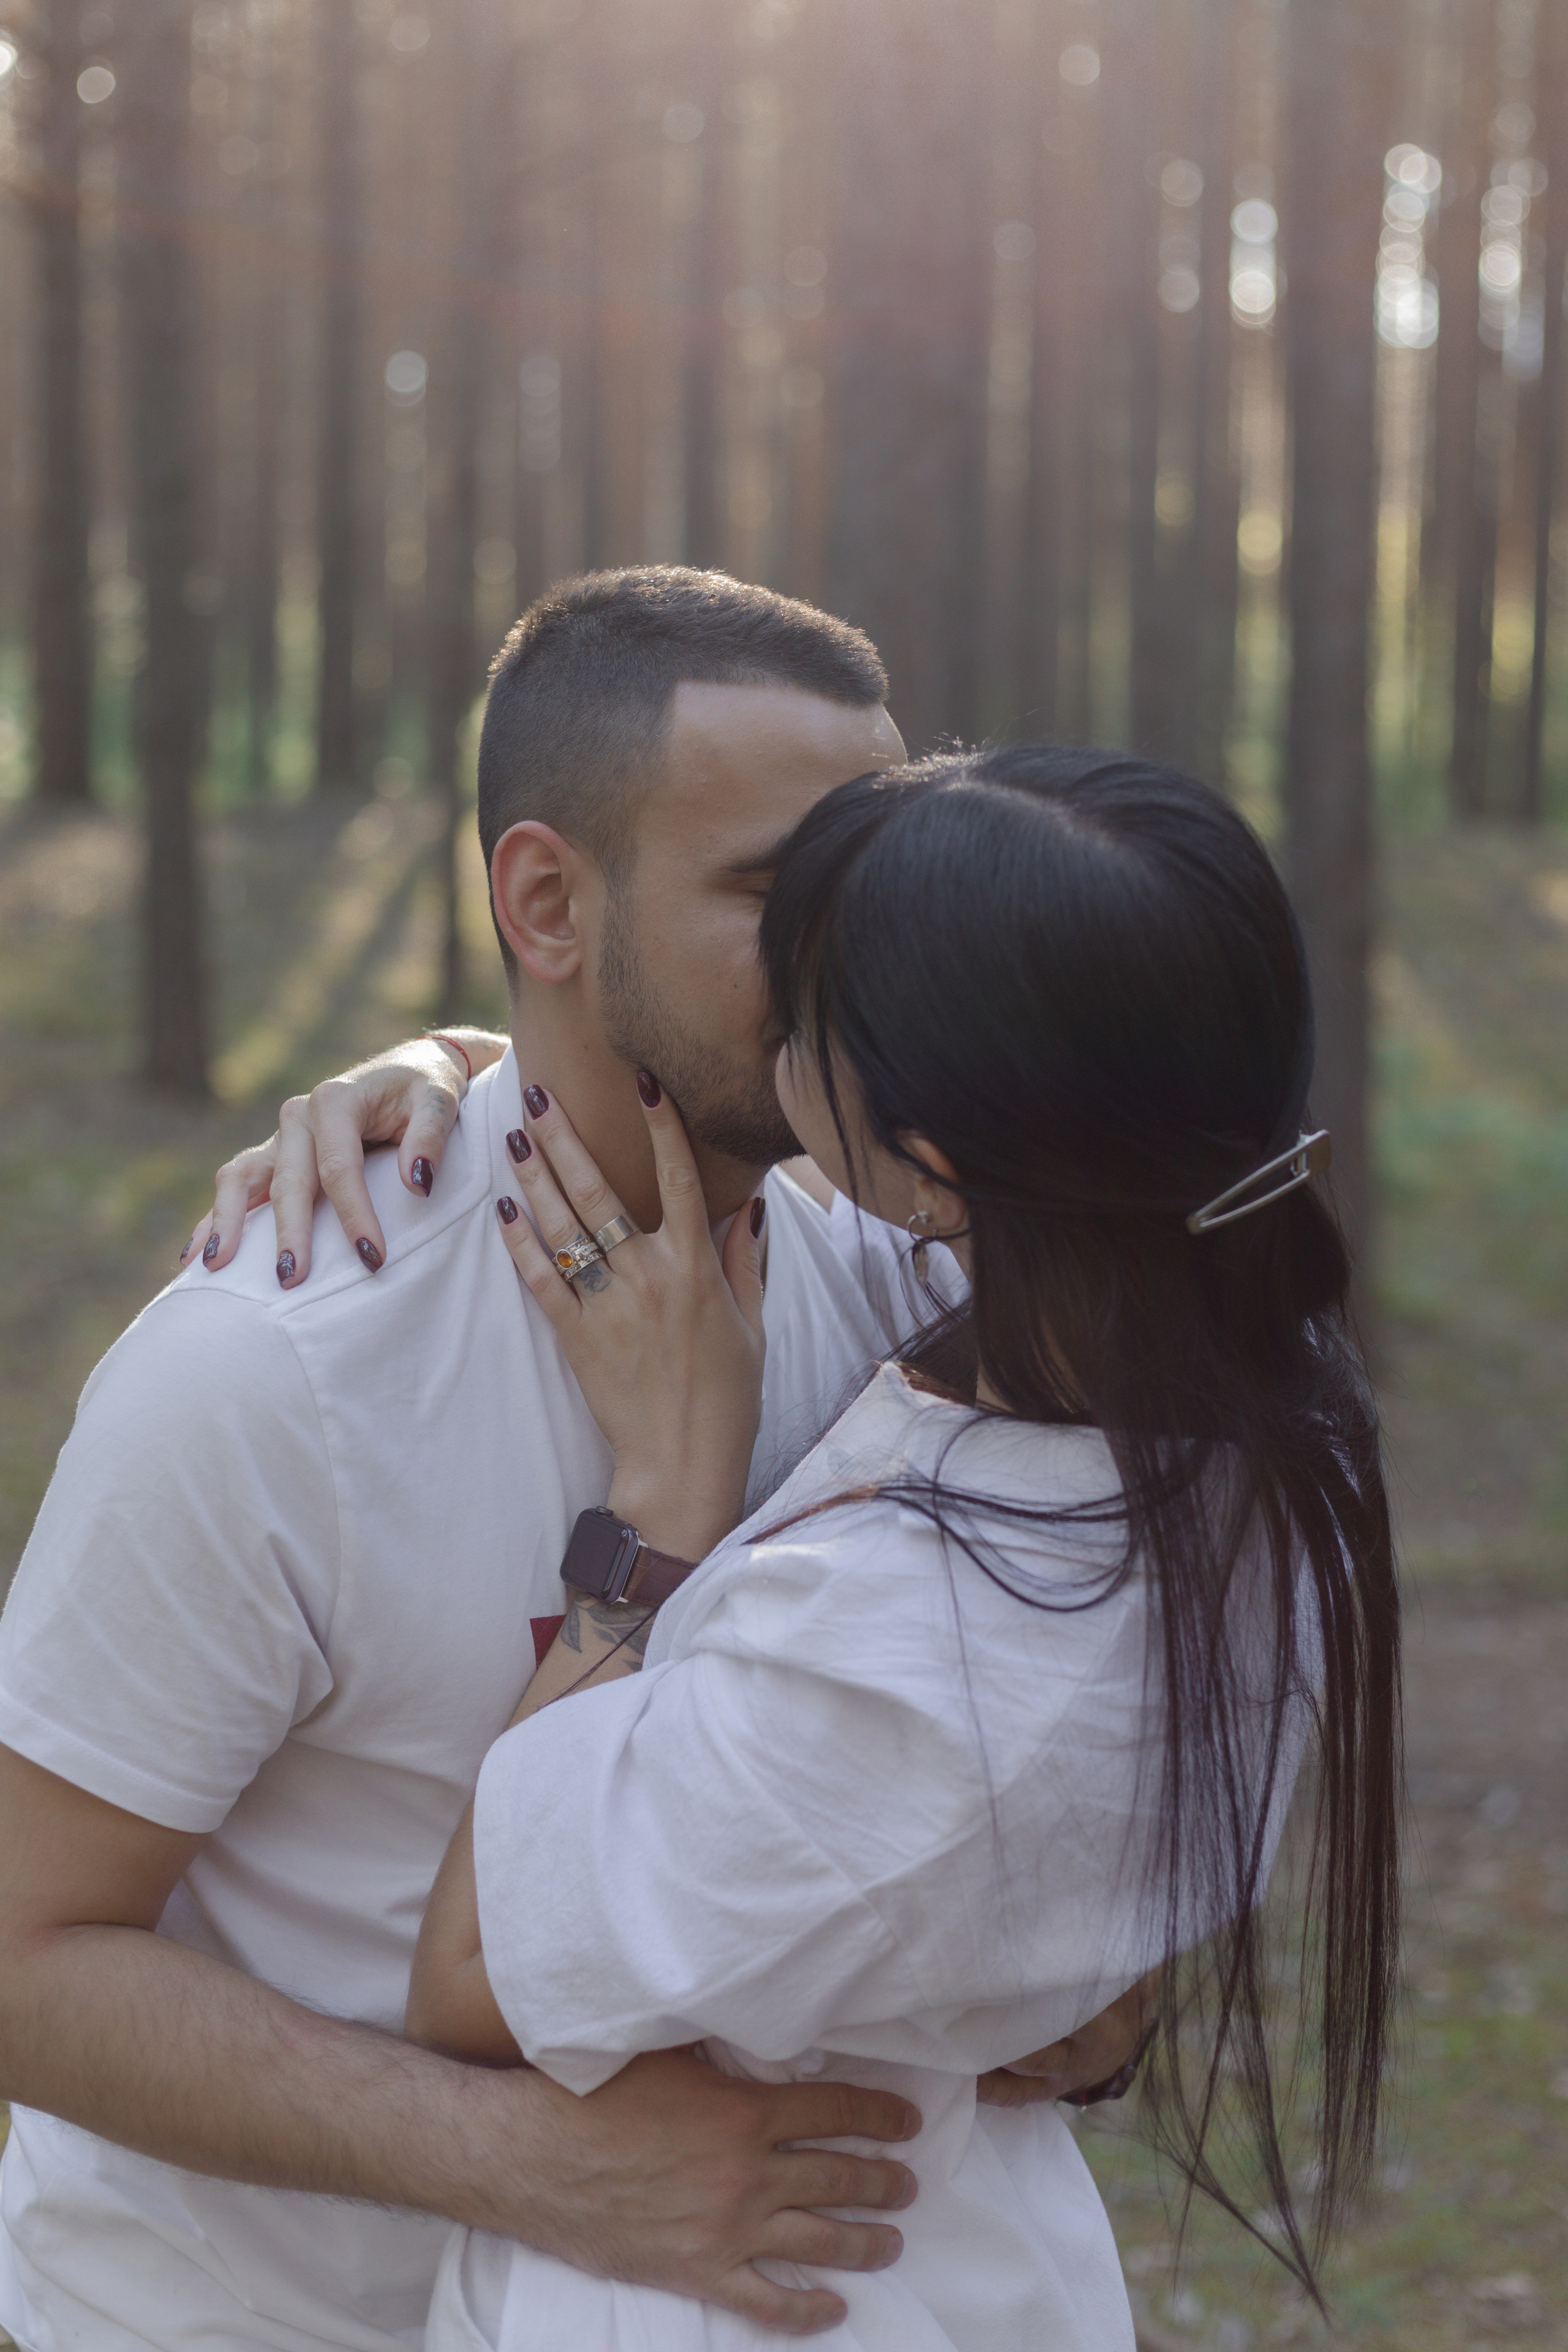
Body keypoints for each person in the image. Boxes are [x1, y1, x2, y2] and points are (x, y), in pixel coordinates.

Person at [0, 570, 1142, 2352]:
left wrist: (1085, 1997)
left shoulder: (916, 1283)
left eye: (887, 886)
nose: (878, 963)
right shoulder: (277, 1365)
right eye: (785, 896)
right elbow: (26, 1960)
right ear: (544, 899)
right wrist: (531, 2164)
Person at [394, 744, 1400, 2351]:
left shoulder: (901, 1669)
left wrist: (657, 1518)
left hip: (770, 2296)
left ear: (934, 1159)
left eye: (799, 1018)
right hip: (974, 2267)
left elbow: (471, 1977)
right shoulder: (1271, 1426)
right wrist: (461, 1074)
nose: (762, 1038)